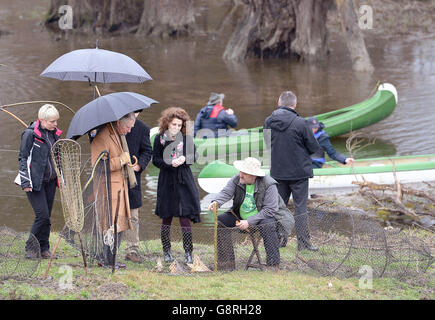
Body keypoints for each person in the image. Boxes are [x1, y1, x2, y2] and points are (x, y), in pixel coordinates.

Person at [208, 157, 294, 271]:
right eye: (240, 171)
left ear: (253, 176)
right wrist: (216, 202)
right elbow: (226, 192)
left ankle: (273, 265)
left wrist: (249, 221)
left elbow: (270, 210)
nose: (240, 175)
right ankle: (227, 263)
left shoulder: (269, 185)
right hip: (240, 217)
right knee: (220, 221)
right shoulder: (237, 179)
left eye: (244, 173)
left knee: (268, 224)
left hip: (262, 218)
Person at [264, 91, 320, 251]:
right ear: (294, 105)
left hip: (278, 172)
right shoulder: (301, 123)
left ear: (278, 103)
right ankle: (303, 243)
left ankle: (279, 240)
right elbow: (314, 148)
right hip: (299, 173)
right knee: (300, 208)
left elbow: (268, 144)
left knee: (278, 208)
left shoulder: (268, 121)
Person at [152, 107, 201, 264]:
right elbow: (156, 160)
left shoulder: (186, 138)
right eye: (174, 124)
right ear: (167, 123)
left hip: (184, 180)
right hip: (167, 181)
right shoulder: (159, 138)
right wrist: (169, 162)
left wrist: (185, 159)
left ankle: (188, 252)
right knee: (166, 217)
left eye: (179, 125)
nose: (176, 128)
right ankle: (167, 251)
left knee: (184, 217)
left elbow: (194, 156)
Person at [90, 112, 136, 268]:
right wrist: (121, 160)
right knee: (109, 225)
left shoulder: (116, 133)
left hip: (119, 187)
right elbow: (98, 165)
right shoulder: (101, 137)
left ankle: (112, 259)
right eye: (128, 127)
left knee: (120, 224)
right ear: (118, 122)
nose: (129, 131)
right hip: (107, 189)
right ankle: (106, 260)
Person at [18, 104, 62, 259]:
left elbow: (57, 158)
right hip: (34, 181)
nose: (55, 124)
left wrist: (60, 178)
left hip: (50, 181)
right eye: (52, 121)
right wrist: (26, 182)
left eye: (56, 120)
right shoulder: (30, 134)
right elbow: (23, 158)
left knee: (47, 217)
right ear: (42, 120)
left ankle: (44, 248)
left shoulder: (55, 134)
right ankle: (30, 248)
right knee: (42, 215)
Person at [123, 110, 152, 263]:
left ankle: (132, 249)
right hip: (113, 176)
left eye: (137, 112)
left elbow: (147, 151)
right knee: (112, 213)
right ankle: (109, 245)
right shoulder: (112, 126)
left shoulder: (143, 128)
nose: (135, 115)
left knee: (133, 215)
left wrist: (139, 165)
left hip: (133, 178)